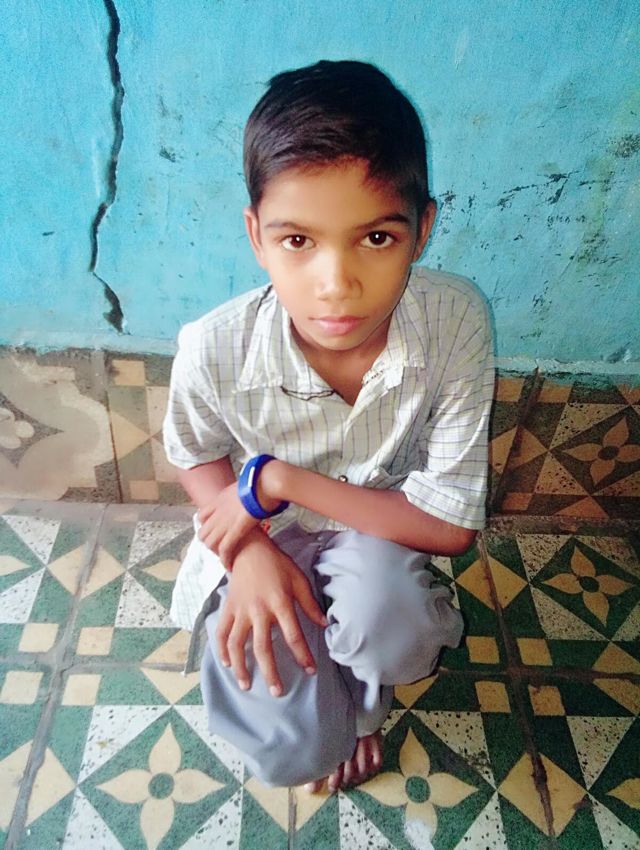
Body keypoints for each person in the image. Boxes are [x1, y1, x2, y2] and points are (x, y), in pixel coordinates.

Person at [163, 60, 494, 793]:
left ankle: (366, 712)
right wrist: (247, 550)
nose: (336, 284)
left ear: (422, 229)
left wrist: (278, 479)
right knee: (291, 753)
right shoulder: (213, 345)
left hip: (378, 529)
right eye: (298, 241)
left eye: (375, 238)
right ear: (256, 236)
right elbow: (194, 453)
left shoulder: (456, 321)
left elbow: (450, 526)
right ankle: (315, 695)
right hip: (265, 533)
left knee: (394, 628)